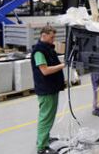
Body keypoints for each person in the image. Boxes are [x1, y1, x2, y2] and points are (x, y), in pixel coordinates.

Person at [31, 25, 65, 154]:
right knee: (45, 117)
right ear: (43, 36)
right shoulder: (39, 51)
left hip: (52, 88)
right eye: (51, 37)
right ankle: (42, 147)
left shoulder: (48, 49)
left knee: (49, 116)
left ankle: (44, 138)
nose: (53, 40)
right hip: (46, 89)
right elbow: (44, 71)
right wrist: (63, 65)